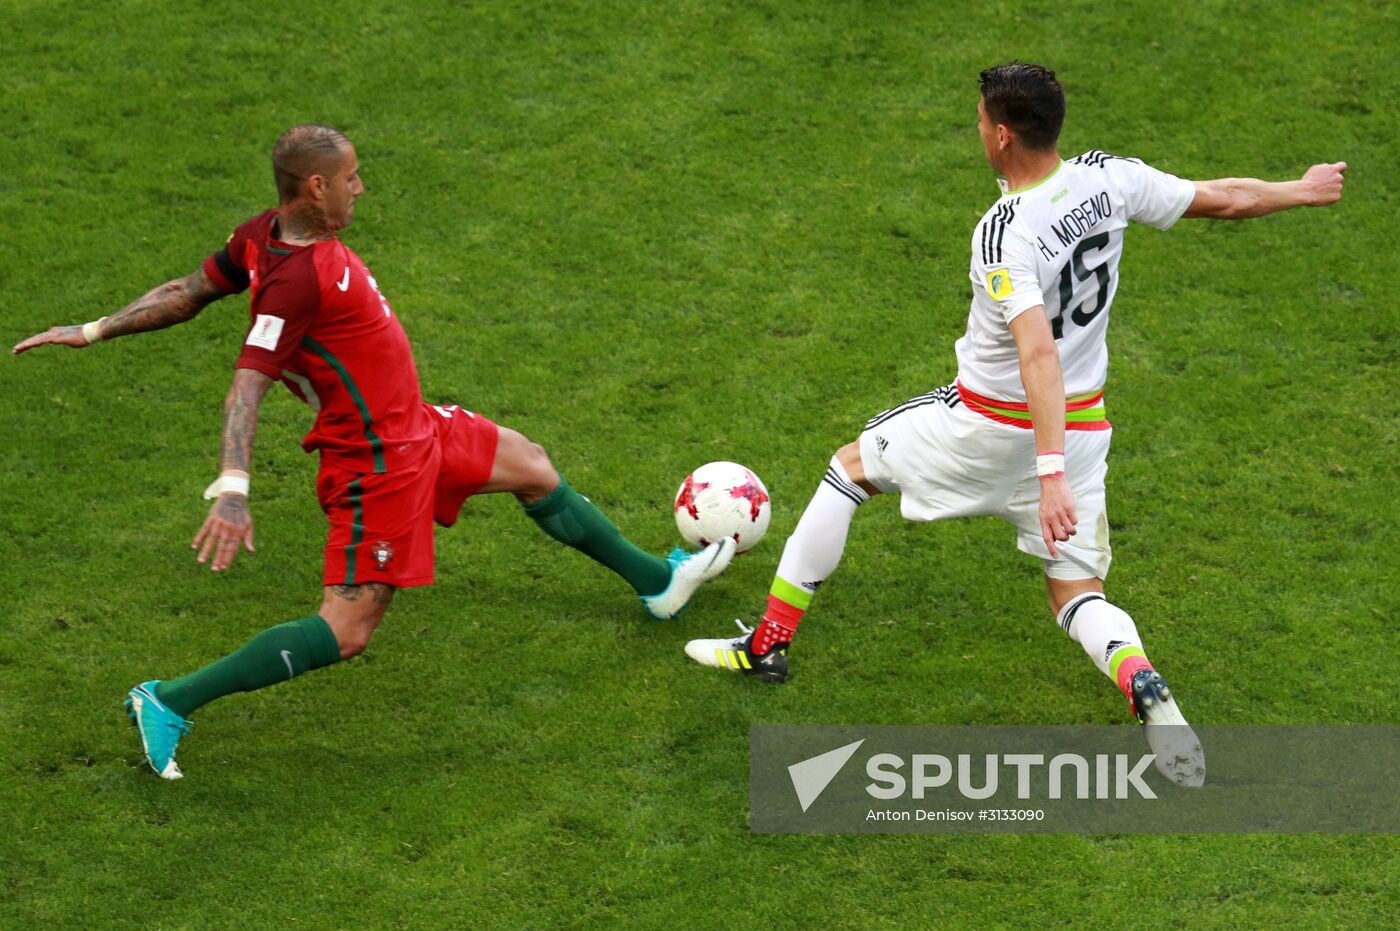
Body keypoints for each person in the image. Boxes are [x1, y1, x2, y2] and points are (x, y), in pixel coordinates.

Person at [683, 63, 1346, 786]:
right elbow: (1221, 199)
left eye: (977, 122)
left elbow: (1035, 350)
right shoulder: (1107, 178)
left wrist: (1047, 472)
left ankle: (768, 644)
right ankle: (1143, 682)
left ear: (1002, 135)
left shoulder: (1004, 232)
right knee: (1078, 592)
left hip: (990, 427)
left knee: (849, 469)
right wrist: (1302, 191)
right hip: (1085, 429)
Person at [13, 124, 735, 780]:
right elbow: (246, 382)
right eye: (352, 176)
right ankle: (167, 700)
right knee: (348, 628)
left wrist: (96, 328)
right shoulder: (292, 281)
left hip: (415, 426)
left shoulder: (262, 236)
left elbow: (191, 288)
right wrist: (232, 485)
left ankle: (656, 584)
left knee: (531, 464)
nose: (362, 186)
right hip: (375, 464)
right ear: (316, 186)